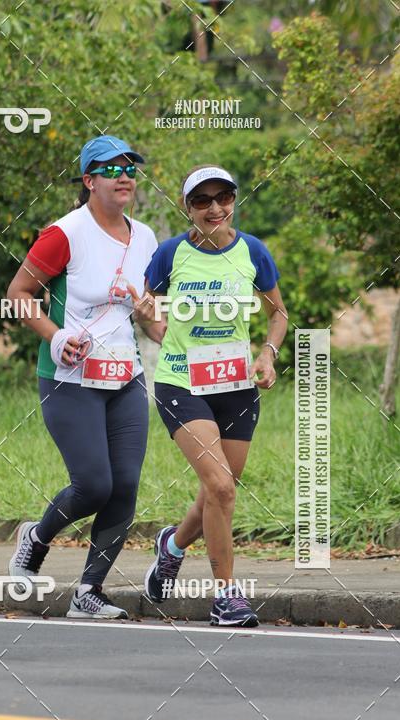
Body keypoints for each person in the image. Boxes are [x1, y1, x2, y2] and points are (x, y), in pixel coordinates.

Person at [6, 136, 158, 619]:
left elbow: (153, 323)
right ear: (89, 181)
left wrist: (150, 313)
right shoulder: (64, 233)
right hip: (69, 379)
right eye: (110, 169)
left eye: (129, 168)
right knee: (94, 484)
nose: (124, 176)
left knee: (126, 486)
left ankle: (88, 592)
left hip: (126, 378)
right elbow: (19, 293)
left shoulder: (147, 238)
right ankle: (37, 535)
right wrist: (54, 337)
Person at [137, 164, 287, 627]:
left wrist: (267, 354)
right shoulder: (169, 255)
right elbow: (149, 311)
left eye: (223, 198)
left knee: (217, 491)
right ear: (188, 209)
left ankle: (173, 545)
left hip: (237, 386)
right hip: (182, 383)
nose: (214, 208)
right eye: (202, 201)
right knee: (221, 487)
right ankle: (227, 596)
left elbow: (277, 312)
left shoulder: (253, 252)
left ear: (234, 200)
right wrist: (152, 321)